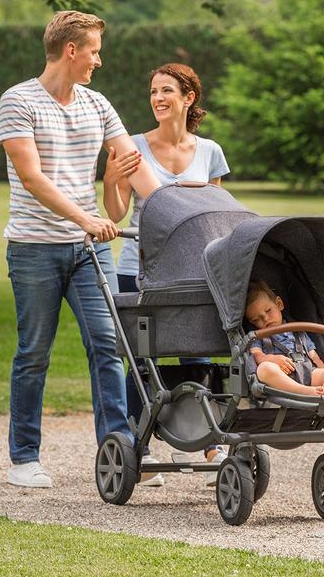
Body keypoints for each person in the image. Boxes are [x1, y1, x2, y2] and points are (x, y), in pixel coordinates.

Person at [0, 10, 161, 488]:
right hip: (34, 248)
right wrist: (86, 218)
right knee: (34, 352)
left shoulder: (97, 103)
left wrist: (175, 209)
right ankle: (24, 458)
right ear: (71, 50)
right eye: (94, 51)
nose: (99, 60)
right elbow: (32, 178)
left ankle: (119, 451)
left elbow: (133, 164)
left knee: (108, 344)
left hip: (89, 251)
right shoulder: (17, 101)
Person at [103, 62, 230, 486]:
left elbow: (212, 215)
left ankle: (210, 444)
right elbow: (116, 213)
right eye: (153, 91)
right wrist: (111, 179)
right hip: (138, 269)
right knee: (142, 359)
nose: (157, 98)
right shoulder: (134, 146)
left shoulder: (210, 152)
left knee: (199, 353)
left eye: (166, 91)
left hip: (192, 269)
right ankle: (138, 448)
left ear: (188, 98)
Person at [245, 281, 324, 396]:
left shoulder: (297, 329)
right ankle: (304, 391)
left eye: (268, 311)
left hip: (307, 371)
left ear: (279, 304)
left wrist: (322, 371)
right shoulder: (258, 336)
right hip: (281, 377)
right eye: (256, 319)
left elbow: (314, 357)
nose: (265, 319)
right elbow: (256, 355)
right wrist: (271, 359)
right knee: (264, 369)